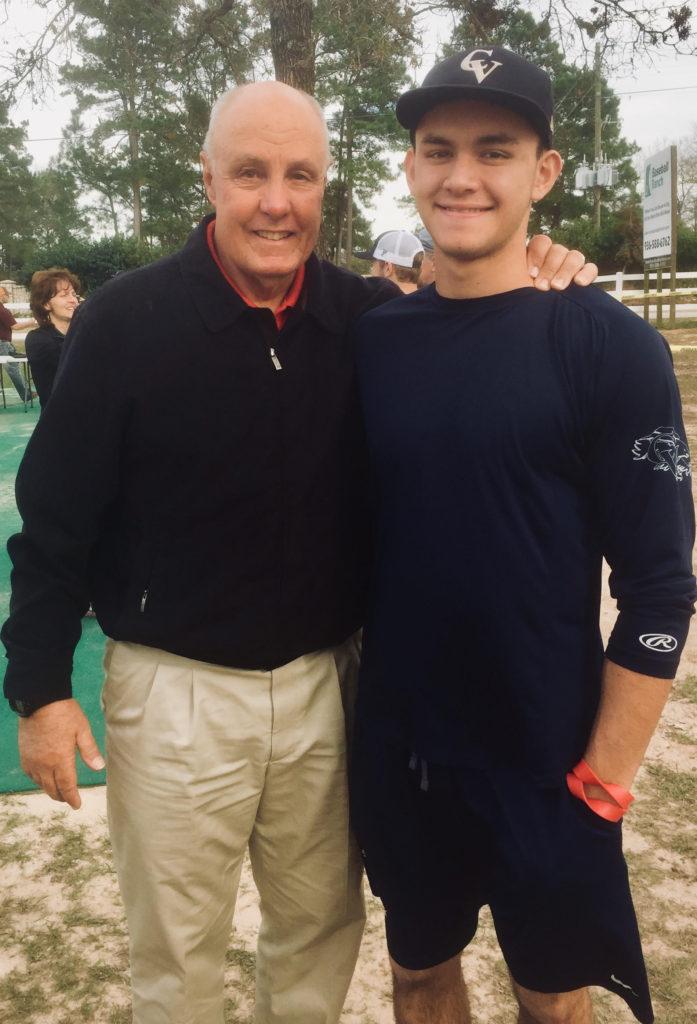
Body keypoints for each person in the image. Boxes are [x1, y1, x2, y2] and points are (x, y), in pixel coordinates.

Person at [2, 79, 597, 1024]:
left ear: (327, 187)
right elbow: (54, 519)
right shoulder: (125, 322)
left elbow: (474, 302)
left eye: (300, 176)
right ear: (208, 177)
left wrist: (543, 262)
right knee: (178, 959)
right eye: (249, 173)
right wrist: (37, 688)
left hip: (331, 686)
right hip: (174, 692)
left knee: (319, 938)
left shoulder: (368, 321)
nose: (275, 201)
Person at [351, 47, 695, 1024]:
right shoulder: (373, 343)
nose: (462, 175)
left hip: (549, 758)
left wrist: (606, 780)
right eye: (437, 149)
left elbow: (662, 592)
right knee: (420, 977)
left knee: (552, 1001)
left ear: (542, 171)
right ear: (411, 168)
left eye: (494, 150)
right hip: (403, 752)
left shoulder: (608, 347)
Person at [25, 269, 81, 407]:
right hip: (59, 420)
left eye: (74, 294)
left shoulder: (81, 333)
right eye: (64, 295)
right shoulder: (38, 340)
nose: (73, 300)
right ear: (46, 304)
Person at [356, 229, 424, 293]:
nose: (371, 272)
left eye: (372, 264)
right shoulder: (430, 302)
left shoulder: (382, 304)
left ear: (388, 268)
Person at [0, 284, 35, 402]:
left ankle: (26, 393)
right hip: (2, 343)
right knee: (13, 369)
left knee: (13, 367)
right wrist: (31, 322)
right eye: (6, 294)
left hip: (3, 343)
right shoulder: (2, 310)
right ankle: (26, 395)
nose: (8, 297)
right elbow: (16, 326)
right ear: (1, 295)